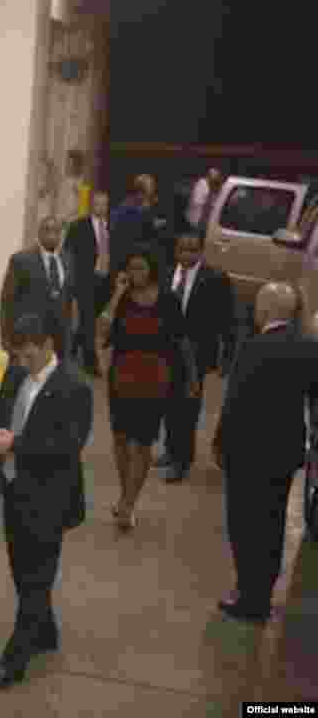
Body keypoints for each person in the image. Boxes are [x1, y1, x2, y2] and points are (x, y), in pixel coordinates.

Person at [0, 311, 92, 691]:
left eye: (28, 356)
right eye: (17, 356)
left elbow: (67, 447)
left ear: (48, 346)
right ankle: (46, 632)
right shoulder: (15, 374)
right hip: (13, 491)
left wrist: (17, 445)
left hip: (49, 499)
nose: (21, 364)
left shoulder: (74, 387)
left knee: (35, 578)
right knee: (22, 571)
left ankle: (13, 662)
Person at [213, 282, 318, 622]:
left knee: (244, 526)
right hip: (283, 454)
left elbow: (235, 402)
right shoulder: (307, 348)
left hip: (247, 454)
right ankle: (262, 592)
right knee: (271, 524)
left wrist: (220, 442)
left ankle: (249, 596)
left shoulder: (254, 347)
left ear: (267, 310)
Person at [97, 243, 197, 531]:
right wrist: (117, 293)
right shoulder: (122, 298)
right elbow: (102, 329)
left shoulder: (168, 300)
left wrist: (191, 379)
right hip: (122, 377)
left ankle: (128, 503)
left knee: (141, 444)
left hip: (154, 380)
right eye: (131, 268)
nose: (136, 273)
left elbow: (182, 342)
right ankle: (125, 495)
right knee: (119, 440)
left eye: (141, 267)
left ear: (152, 268)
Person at [158, 228, 235, 482]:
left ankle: (182, 460)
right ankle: (170, 450)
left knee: (187, 408)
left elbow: (227, 318)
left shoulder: (214, 278)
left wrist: (226, 354)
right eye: (182, 248)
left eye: (192, 249)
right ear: (175, 250)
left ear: (200, 251)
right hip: (166, 350)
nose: (186, 254)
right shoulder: (166, 274)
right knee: (168, 403)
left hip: (197, 354)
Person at [0, 215, 78, 362]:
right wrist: (5, 338)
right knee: (22, 381)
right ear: (39, 233)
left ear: (60, 234)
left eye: (55, 231)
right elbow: (7, 301)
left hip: (59, 341)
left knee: (54, 383)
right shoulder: (21, 260)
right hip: (29, 338)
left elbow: (69, 298)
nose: (51, 235)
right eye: (47, 230)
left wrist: (71, 332)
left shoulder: (68, 260)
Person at [63, 190, 111, 376]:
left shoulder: (111, 226)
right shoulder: (78, 226)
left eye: (104, 204)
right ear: (92, 205)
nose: (101, 207)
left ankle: (74, 346)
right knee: (89, 321)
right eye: (98, 203)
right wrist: (70, 279)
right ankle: (91, 363)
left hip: (104, 279)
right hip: (84, 280)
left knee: (88, 320)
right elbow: (68, 252)